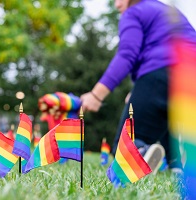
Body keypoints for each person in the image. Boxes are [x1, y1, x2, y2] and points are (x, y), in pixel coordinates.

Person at [80, 0, 196, 173]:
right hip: (190, 75)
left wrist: (96, 95)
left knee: (124, 144)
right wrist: (139, 90)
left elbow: (127, 55)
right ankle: (175, 165)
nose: (117, 4)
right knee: (165, 114)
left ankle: (141, 152)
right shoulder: (167, 11)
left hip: (161, 72)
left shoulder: (133, 12)